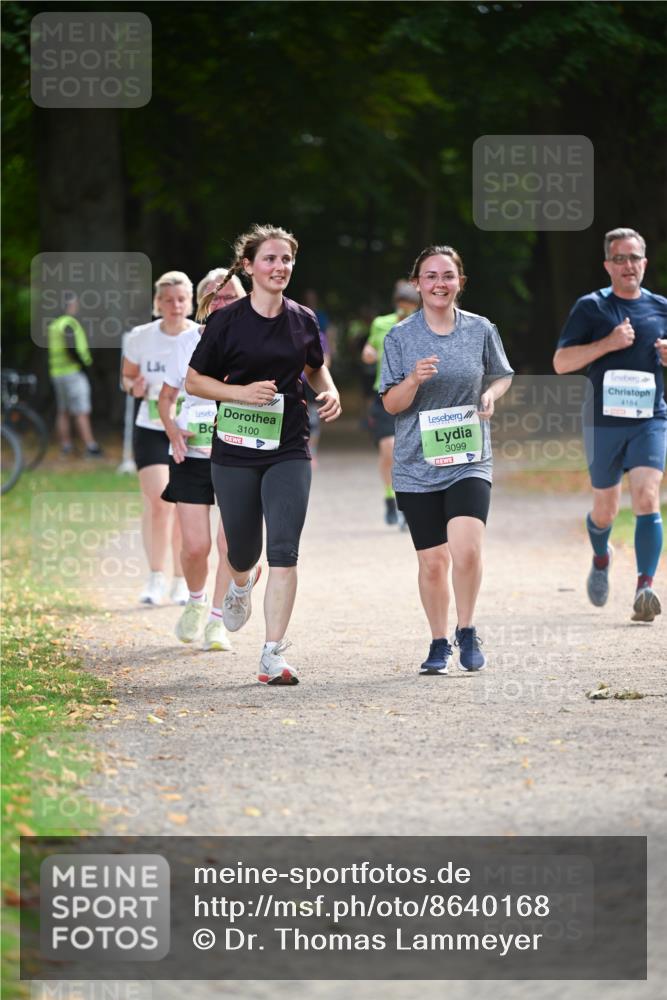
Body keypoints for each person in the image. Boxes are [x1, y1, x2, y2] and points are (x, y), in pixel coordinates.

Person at [185, 223, 342, 685]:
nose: (280, 267)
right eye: (270, 259)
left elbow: (315, 368)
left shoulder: (303, 319)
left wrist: (328, 391)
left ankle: (273, 653)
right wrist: (239, 393)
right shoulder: (225, 321)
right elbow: (195, 381)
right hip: (233, 449)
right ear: (249, 266)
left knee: (284, 551)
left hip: (289, 446)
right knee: (243, 549)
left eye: (287, 259)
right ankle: (238, 582)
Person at [380, 245, 513, 674]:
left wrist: (490, 395)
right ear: (417, 283)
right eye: (431, 276)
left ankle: (467, 628)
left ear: (460, 282)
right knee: (433, 562)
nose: (440, 283)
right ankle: (439, 642)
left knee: (467, 550)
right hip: (417, 465)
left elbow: (502, 374)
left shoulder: (480, 329)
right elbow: (391, 405)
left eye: (448, 276)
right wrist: (414, 380)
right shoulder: (399, 337)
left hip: (469, 457)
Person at [553, 227, 667, 623]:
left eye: (634, 258)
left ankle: (644, 588)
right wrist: (608, 343)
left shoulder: (662, 308)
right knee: (605, 510)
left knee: (648, 497)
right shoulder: (592, 307)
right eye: (619, 259)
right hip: (603, 421)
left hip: (650, 419)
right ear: (607, 265)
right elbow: (561, 363)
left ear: (645, 263)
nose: (628, 266)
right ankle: (601, 558)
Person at [158, 268, 246, 651]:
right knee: (195, 546)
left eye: (229, 296)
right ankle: (195, 600)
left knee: (231, 543)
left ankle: (216, 621)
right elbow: (165, 397)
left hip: (240, 451)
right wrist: (173, 431)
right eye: (214, 296)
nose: (222, 302)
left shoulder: (254, 340)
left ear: (242, 300)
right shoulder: (186, 342)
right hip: (193, 452)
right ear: (203, 304)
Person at [122, 272, 199, 606]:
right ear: (158, 303)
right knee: (157, 501)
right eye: (168, 300)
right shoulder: (140, 337)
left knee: (184, 503)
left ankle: (181, 580)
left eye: (181, 299)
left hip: (189, 429)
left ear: (191, 301)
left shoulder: (201, 335)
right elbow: (127, 378)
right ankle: (155, 576)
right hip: (152, 427)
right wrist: (133, 387)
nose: (175, 306)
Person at [362, 281, 420, 526]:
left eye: (411, 308)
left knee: (411, 453)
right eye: (403, 307)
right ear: (397, 305)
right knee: (388, 449)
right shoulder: (381, 323)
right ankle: (389, 498)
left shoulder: (423, 325)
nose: (406, 312)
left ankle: (409, 505)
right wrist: (368, 353)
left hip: (415, 397)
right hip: (384, 394)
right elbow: (369, 348)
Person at [47, 294, 103, 457]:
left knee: (63, 411)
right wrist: (83, 365)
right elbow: (71, 347)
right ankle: (90, 446)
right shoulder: (68, 324)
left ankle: (66, 446)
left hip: (57, 373)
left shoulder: (54, 325)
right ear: (69, 306)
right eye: (74, 304)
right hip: (73, 372)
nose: (76, 307)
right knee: (81, 411)